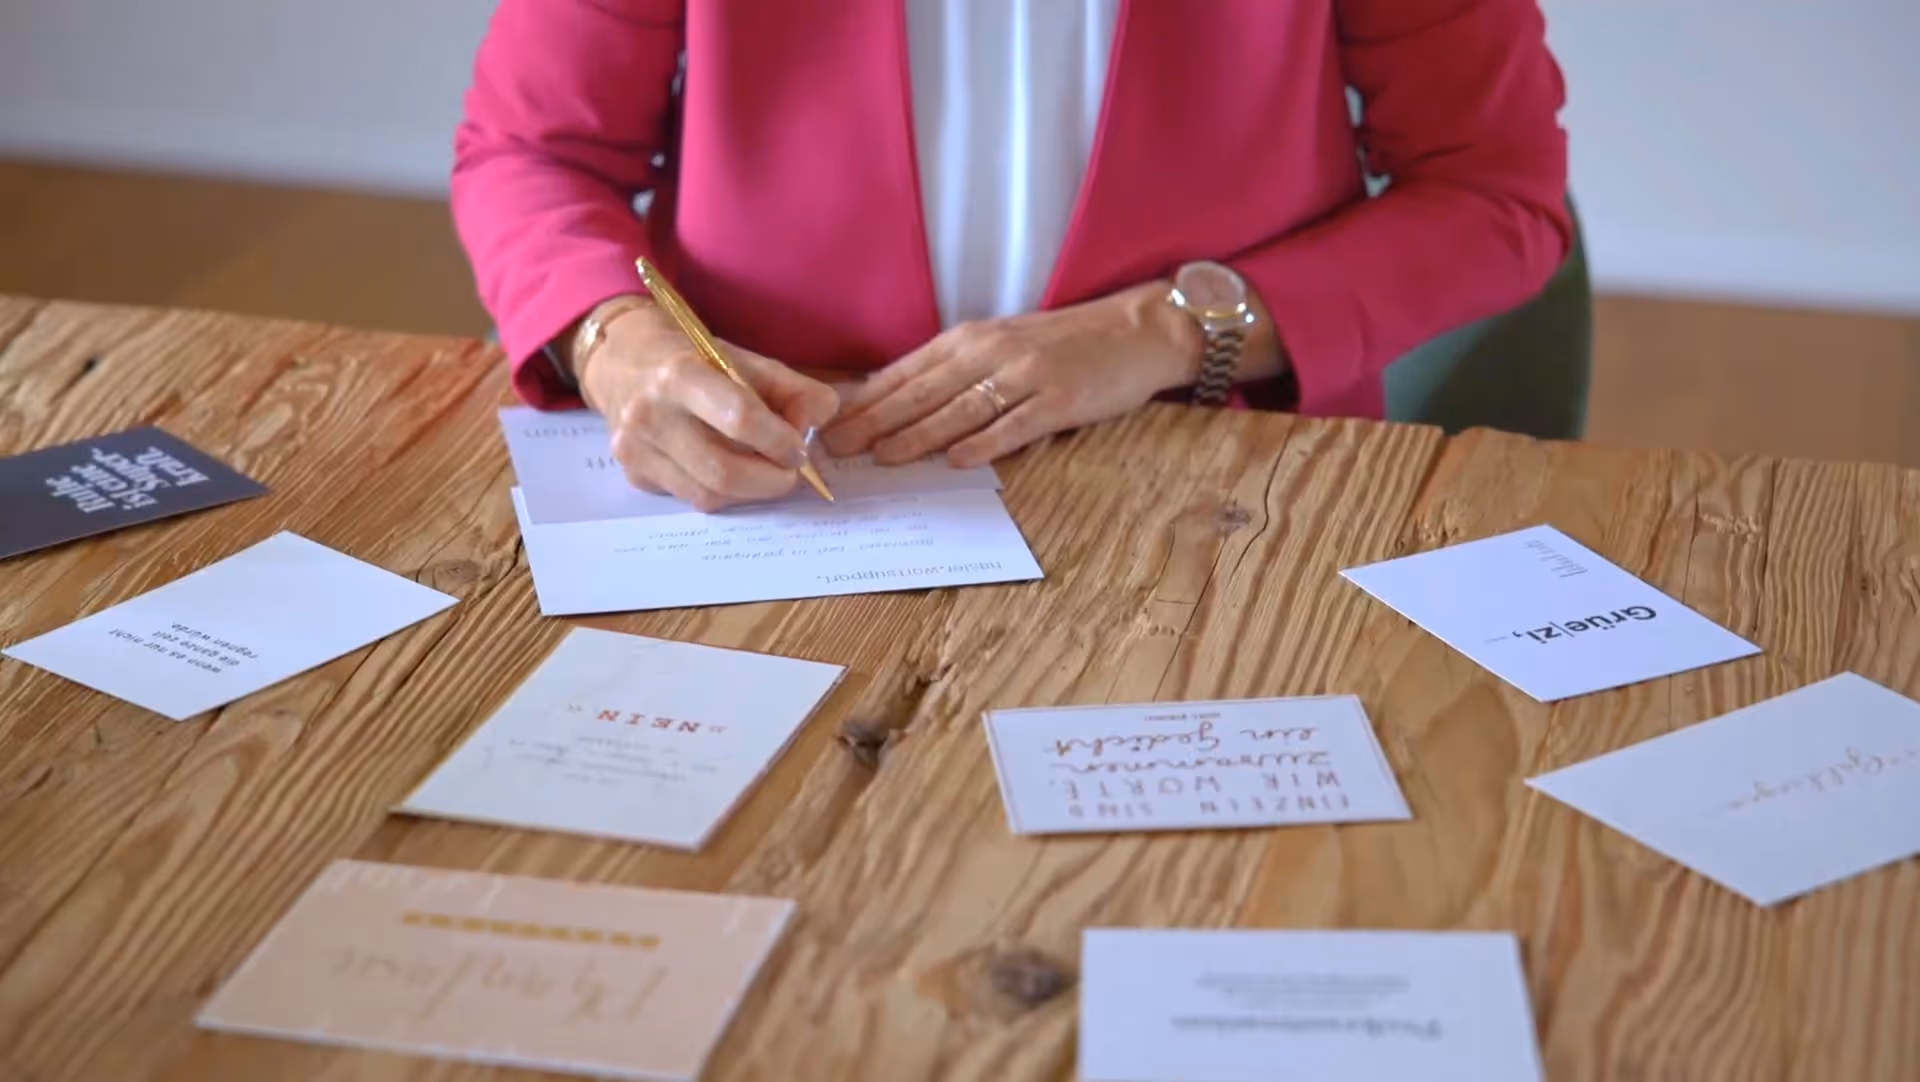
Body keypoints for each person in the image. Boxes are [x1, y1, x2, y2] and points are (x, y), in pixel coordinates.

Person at [452, 1, 1570, 512]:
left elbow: (1494, 194)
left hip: (1207, 490)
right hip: (783, 491)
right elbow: (531, 154)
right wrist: (617, 342)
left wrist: (1168, 328)